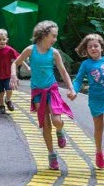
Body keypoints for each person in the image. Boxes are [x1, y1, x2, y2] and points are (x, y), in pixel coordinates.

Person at [13, 20, 75, 171]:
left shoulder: (54, 53)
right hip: (37, 92)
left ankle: (60, 131)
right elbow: (15, 63)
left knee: (56, 121)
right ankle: (51, 154)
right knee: (45, 124)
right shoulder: (30, 50)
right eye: (53, 36)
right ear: (44, 34)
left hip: (52, 90)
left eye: (56, 36)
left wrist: (71, 88)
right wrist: (13, 76)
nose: (55, 39)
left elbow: (63, 71)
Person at [68, 34, 104, 169]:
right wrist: (74, 91)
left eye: (96, 46)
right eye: (89, 46)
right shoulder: (86, 64)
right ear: (86, 50)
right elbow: (79, 79)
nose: (93, 48)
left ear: (101, 48)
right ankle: (98, 152)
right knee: (98, 128)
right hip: (95, 99)